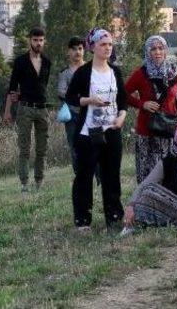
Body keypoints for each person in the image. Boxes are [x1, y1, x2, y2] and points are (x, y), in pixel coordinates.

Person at [65, 28, 127, 232]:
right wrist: (89, 100)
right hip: (88, 133)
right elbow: (71, 97)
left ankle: (115, 218)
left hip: (112, 131)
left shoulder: (115, 71)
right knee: (84, 176)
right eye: (103, 44)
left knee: (112, 176)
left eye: (110, 44)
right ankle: (83, 221)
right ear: (93, 47)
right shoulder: (84, 73)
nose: (107, 48)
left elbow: (123, 101)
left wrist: (121, 117)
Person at [125, 35, 177, 183]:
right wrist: (142, 104)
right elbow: (123, 94)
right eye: (153, 49)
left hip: (169, 129)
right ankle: (146, 202)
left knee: (170, 171)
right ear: (147, 52)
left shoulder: (173, 71)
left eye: (161, 48)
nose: (157, 52)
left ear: (165, 50)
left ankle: (168, 201)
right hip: (147, 131)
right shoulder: (141, 73)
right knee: (147, 174)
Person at [3, 26, 52, 193]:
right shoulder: (20, 62)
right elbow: (11, 88)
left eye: (41, 40)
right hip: (25, 109)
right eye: (35, 40)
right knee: (24, 148)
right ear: (29, 41)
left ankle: (39, 182)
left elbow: (42, 87)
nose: (38, 43)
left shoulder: (47, 62)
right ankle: (24, 184)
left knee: (42, 148)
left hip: (42, 109)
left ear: (44, 41)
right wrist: (7, 111)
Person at [57, 35, 85, 175]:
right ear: (69, 51)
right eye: (74, 49)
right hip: (72, 114)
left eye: (80, 49)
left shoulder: (91, 69)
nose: (77, 52)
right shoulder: (65, 73)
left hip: (90, 112)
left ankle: (99, 178)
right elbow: (61, 91)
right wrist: (78, 95)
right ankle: (79, 175)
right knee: (75, 147)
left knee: (95, 144)